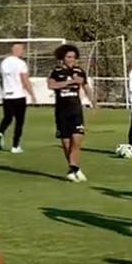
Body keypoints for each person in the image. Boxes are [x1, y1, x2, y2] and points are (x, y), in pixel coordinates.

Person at [48, 44, 94, 182]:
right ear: (63, 58)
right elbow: (51, 85)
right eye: (68, 57)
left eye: (73, 57)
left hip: (76, 110)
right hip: (61, 111)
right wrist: (71, 82)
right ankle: (74, 168)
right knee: (67, 144)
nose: (71, 59)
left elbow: (86, 87)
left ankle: (73, 168)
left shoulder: (79, 71)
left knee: (77, 140)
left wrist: (94, 102)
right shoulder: (56, 72)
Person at [0, 43, 37, 153]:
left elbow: (0, 79)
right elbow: (24, 80)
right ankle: (15, 146)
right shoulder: (21, 63)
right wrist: (32, 94)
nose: (23, 52)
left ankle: (1, 132)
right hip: (18, 95)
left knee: (7, 117)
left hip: (7, 95)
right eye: (22, 49)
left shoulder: (3, 63)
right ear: (16, 50)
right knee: (19, 121)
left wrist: (4, 90)